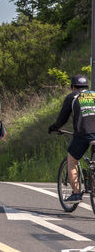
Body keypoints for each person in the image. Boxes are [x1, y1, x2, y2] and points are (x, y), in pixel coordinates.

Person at [48, 74, 95, 203]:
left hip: (84, 133)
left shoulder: (72, 97)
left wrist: (53, 127)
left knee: (72, 159)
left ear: (73, 87)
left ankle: (76, 193)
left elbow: (62, 119)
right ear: (87, 86)